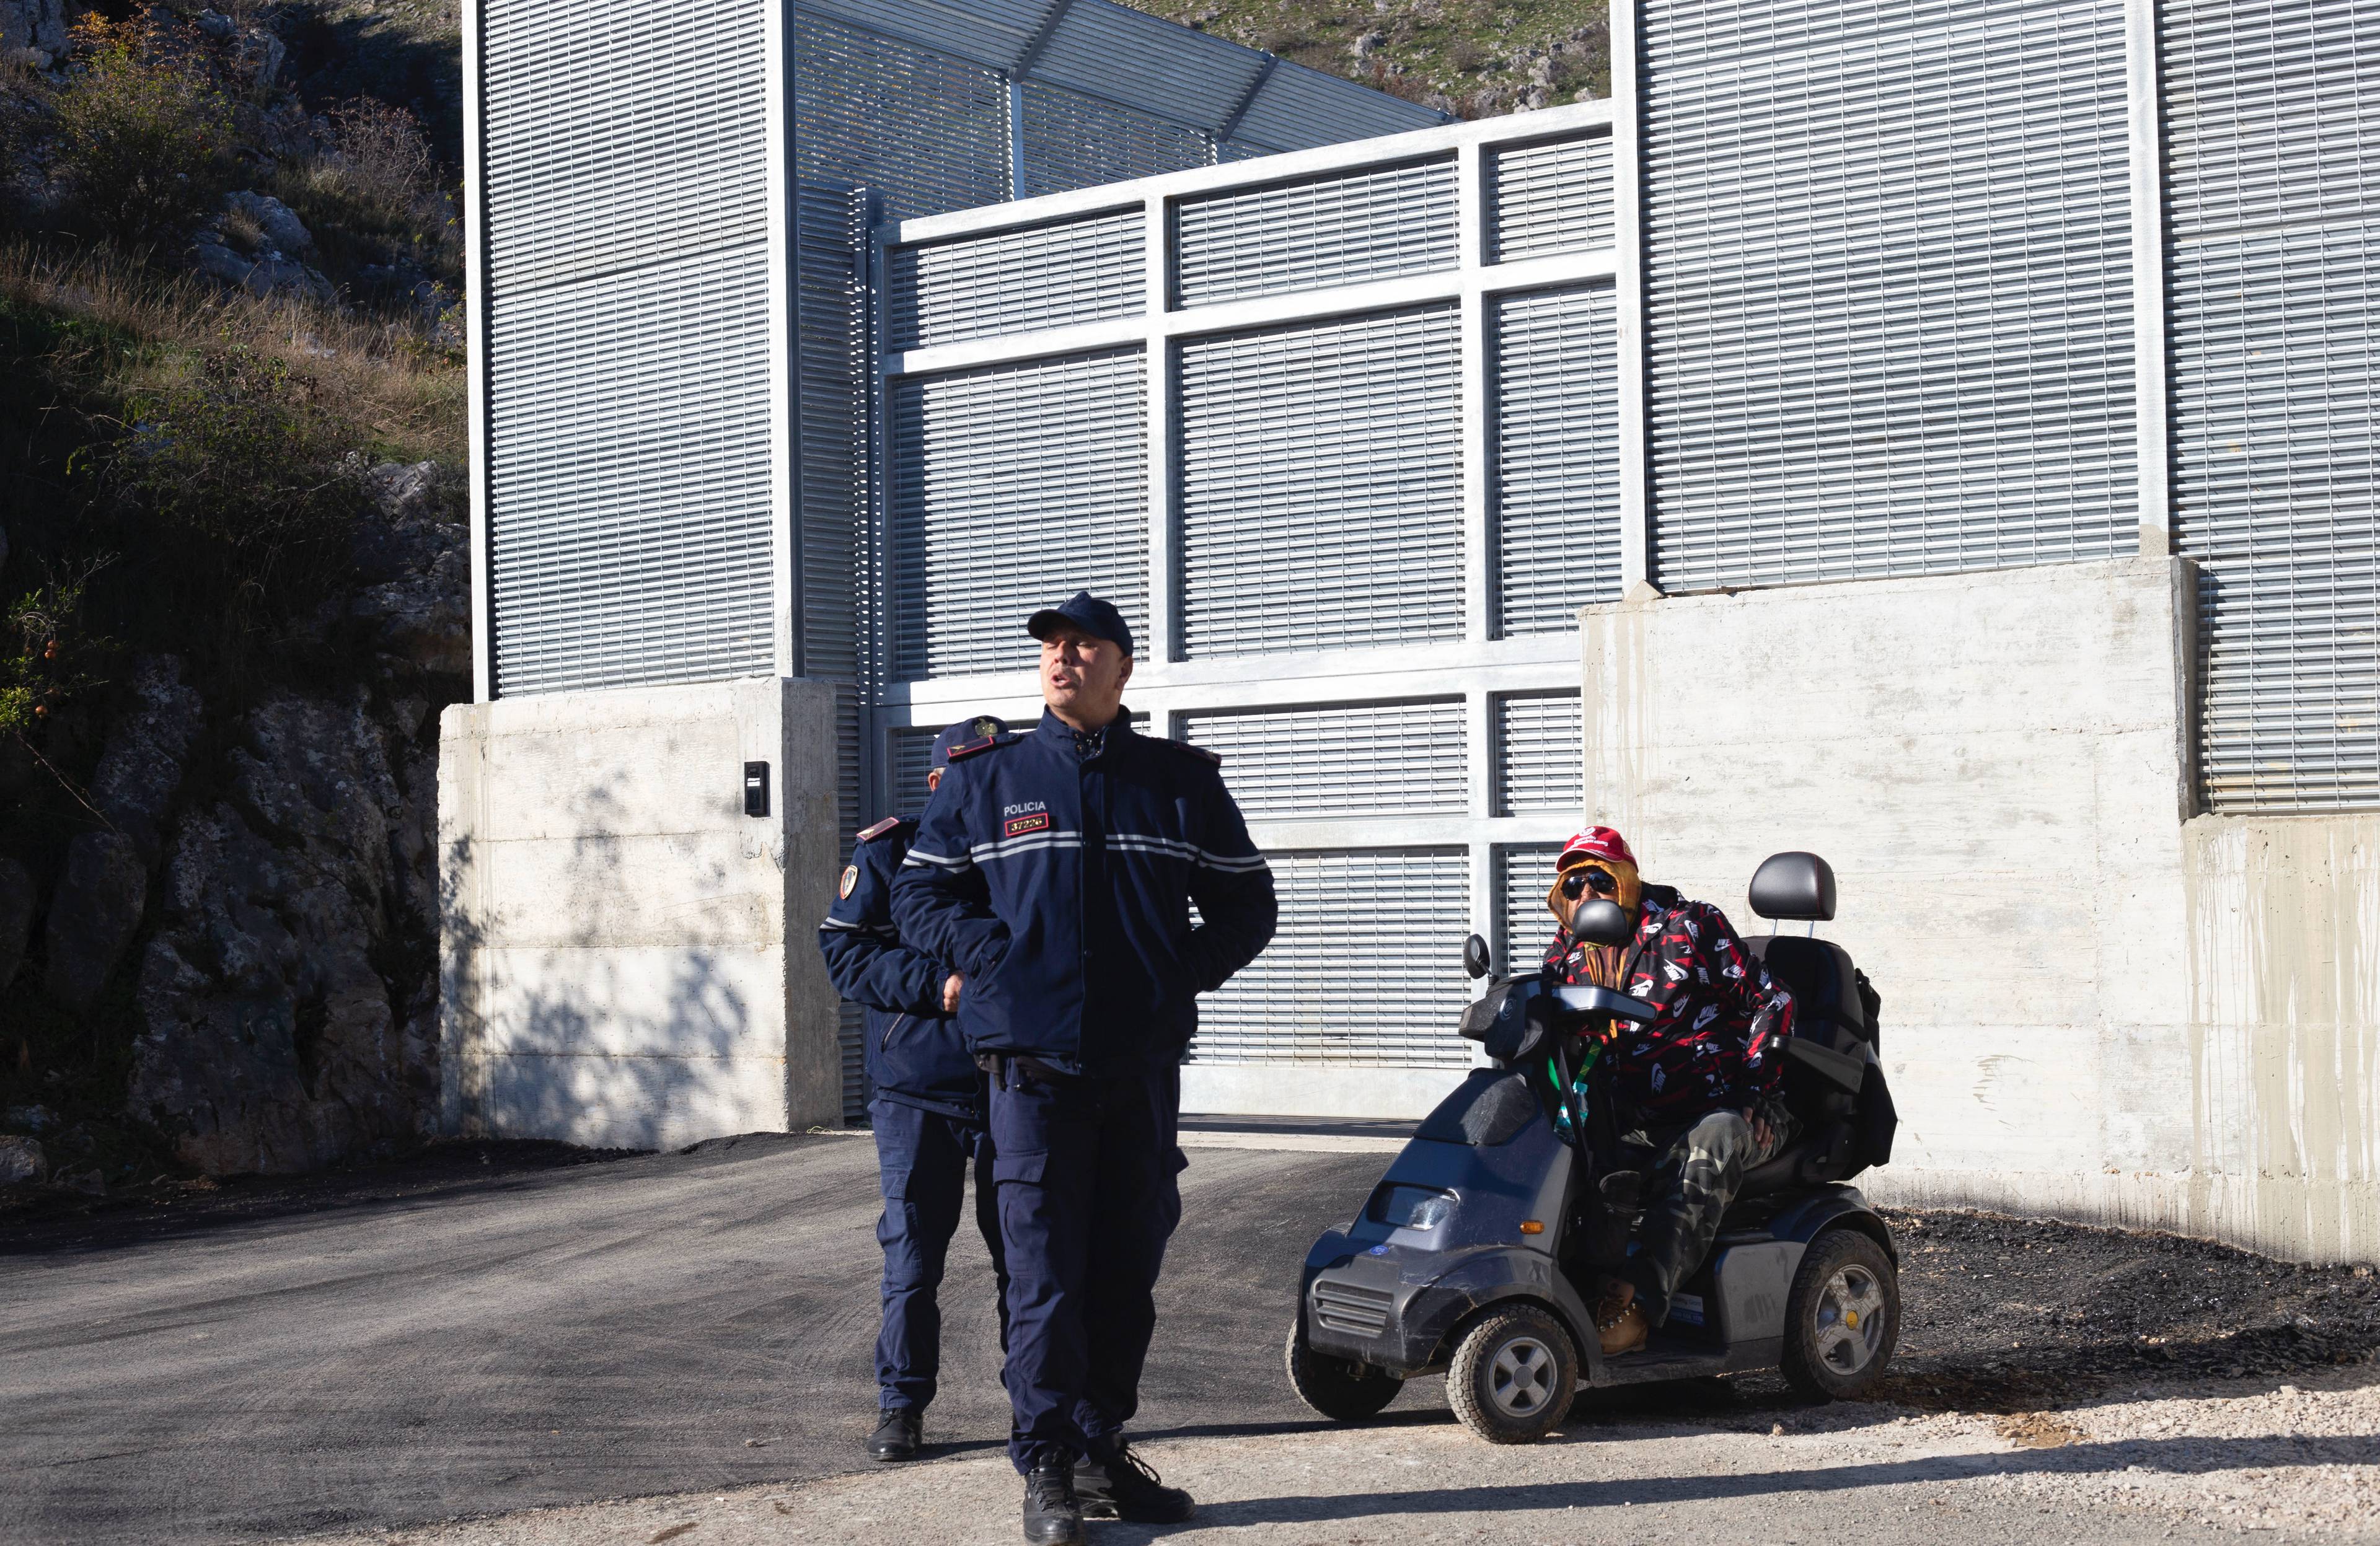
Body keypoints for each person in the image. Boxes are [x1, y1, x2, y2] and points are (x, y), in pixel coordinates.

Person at [892, 591, 1276, 1546]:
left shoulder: (1179, 784)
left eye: (1084, 644)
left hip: (1138, 1070)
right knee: (1044, 1274)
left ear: (1122, 668)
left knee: (1125, 1268)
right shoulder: (986, 779)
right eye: (1051, 647)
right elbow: (920, 890)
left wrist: (1175, 974)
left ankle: (1103, 1445)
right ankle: (1048, 1462)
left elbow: (1248, 902)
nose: (1062, 657)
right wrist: (987, 951)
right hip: (1031, 1073)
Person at [818, 715, 1013, 1464]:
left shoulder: (1028, 853)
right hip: (918, 1091)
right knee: (912, 1261)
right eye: (969, 772)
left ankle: (1037, 1408)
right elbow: (843, 953)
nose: (987, 786)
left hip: (1013, 1085)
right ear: (938, 781)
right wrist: (940, 988)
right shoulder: (892, 850)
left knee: (1027, 1261)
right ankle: (902, 1406)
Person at [1539, 826, 1798, 1356]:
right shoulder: (1567, 951)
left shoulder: (1691, 926)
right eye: (1572, 886)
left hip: (1724, 1108)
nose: (1586, 895)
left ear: (1626, 880)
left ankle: (1636, 1305)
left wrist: (1756, 1091)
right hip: (1630, 1112)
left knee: (1718, 1137)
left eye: (1598, 880)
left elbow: (1772, 1002)